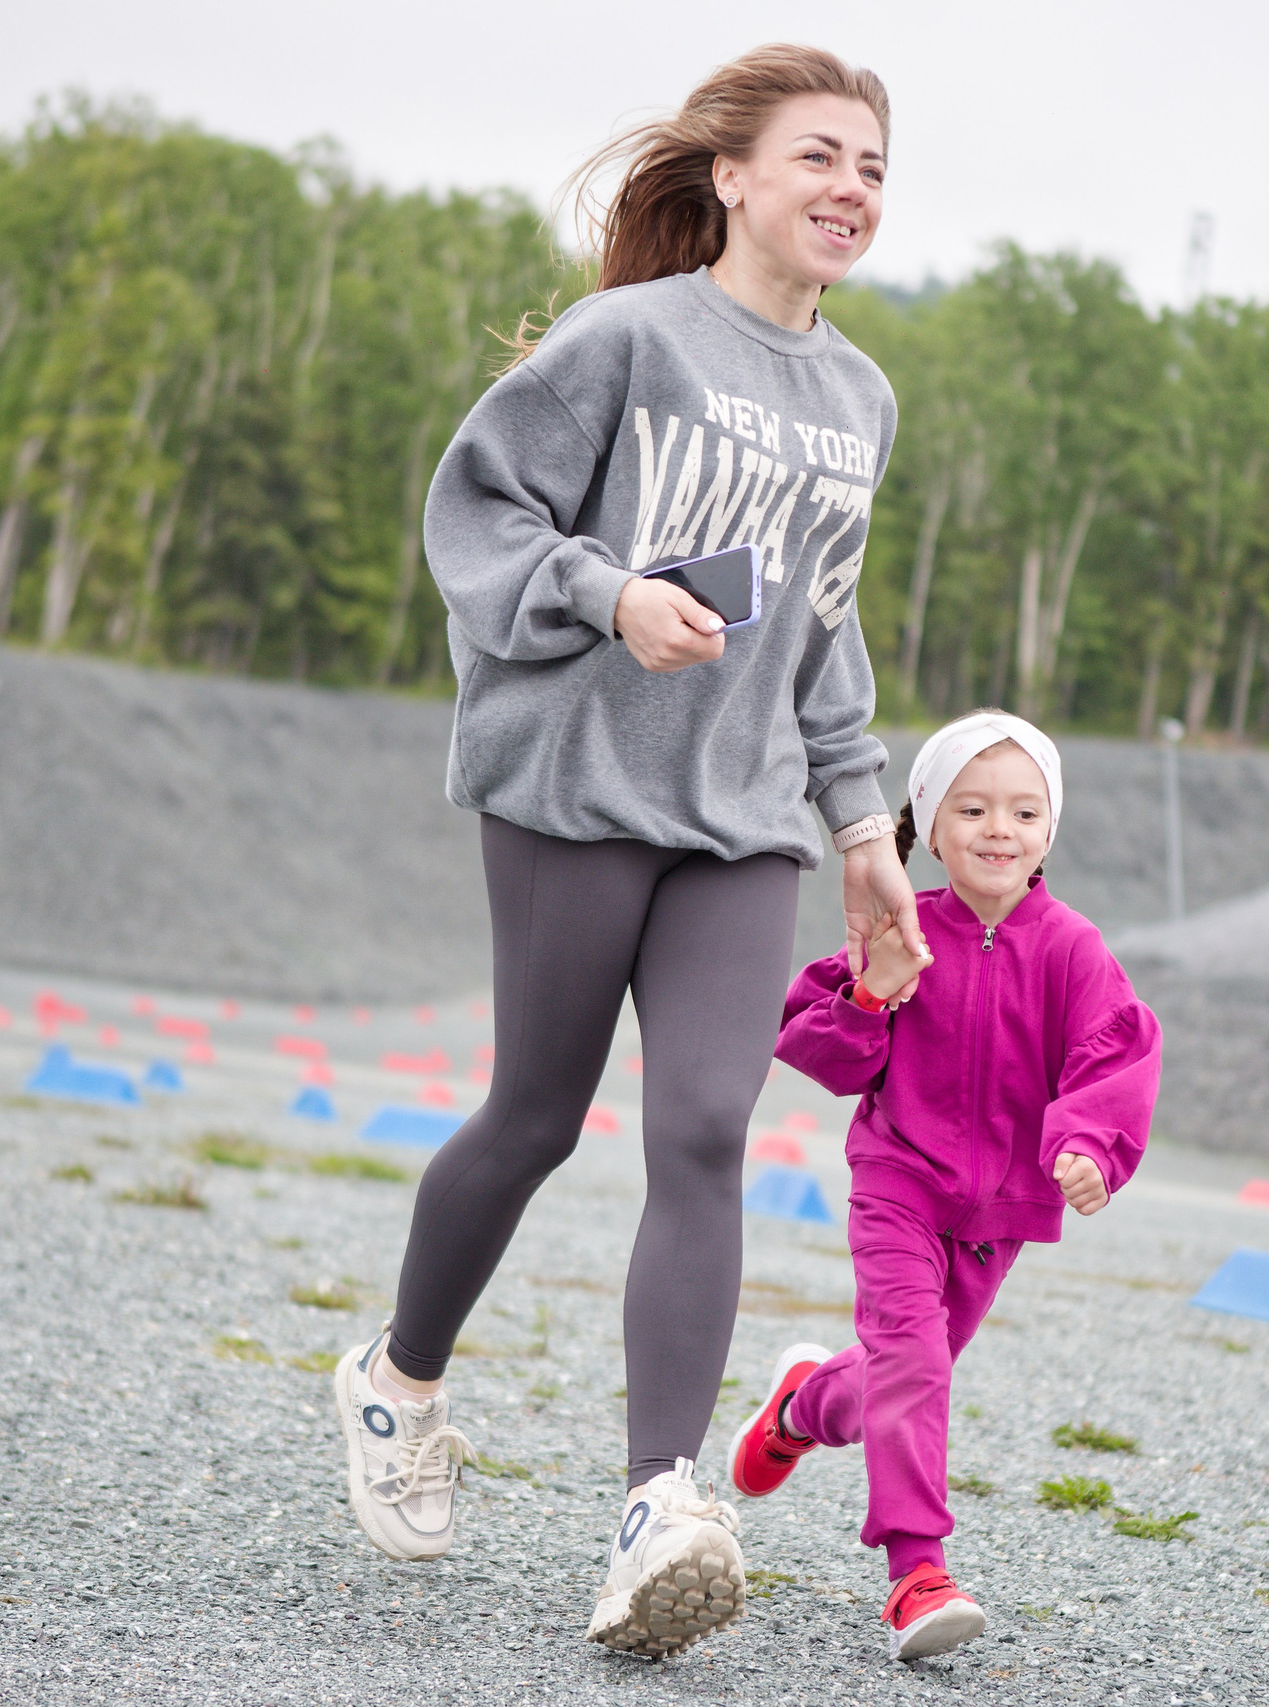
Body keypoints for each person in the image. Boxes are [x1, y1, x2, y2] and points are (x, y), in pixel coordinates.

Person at [331, 44, 922, 1662]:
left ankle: (662, 1501)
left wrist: (864, 833)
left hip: (738, 820)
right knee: (534, 1114)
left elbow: (823, 631)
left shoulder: (861, 398)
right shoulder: (628, 340)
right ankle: (397, 1379)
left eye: (873, 167)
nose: (849, 189)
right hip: (575, 782)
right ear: (731, 175)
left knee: (710, 1131)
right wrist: (608, 594)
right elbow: (479, 514)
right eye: (820, 157)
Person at [730, 711, 1163, 1662]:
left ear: (1050, 827)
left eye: (1022, 809)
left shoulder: (1074, 950)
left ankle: (802, 1404)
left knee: (906, 1367)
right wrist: (875, 988)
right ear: (928, 825)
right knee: (914, 1361)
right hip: (898, 1182)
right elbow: (819, 1043)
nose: (997, 828)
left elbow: (1115, 1053)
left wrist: (1091, 1144)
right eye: (971, 808)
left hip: (996, 1214)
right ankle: (916, 1571)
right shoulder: (900, 924)